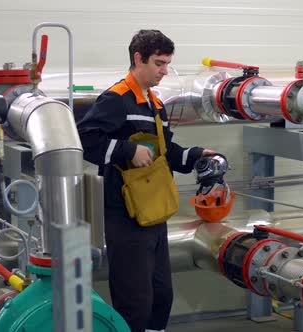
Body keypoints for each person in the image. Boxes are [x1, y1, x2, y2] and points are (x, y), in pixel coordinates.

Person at [77, 29, 215, 332]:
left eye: (166, 64)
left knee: (160, 296)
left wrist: (195, 155)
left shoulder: (155, 103)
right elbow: (85, 139)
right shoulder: (116, 100)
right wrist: (127, 150)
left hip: (153, 213)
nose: (164, 71)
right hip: (124, 215)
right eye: (159, 63)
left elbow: (164, 152)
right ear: (138, 59)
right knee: (134, 300)